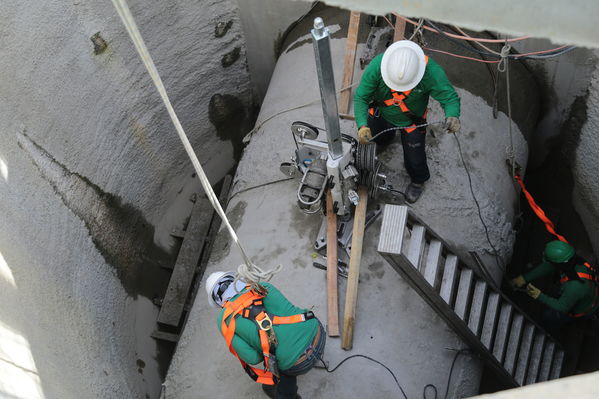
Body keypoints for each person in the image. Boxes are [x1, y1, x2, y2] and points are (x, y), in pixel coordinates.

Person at [354, 40, 461, 203]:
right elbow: (361, 97)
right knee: (376, 136)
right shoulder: (379, 65)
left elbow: (449, 97)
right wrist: (362, 124)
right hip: (381, 112)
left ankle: (418, 181)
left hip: (411, 122)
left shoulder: (430, 72)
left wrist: (452, 115)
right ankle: (384, 140)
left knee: (415, 158)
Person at [206, 271, 325, 399]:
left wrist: (262, 343)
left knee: (275, 360)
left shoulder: (224, 320)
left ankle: (288, 395)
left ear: (218, 301)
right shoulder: (262, 286)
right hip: (319, 333)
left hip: (298, 364)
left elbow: (253, 358)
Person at [510, 241, 599, 330]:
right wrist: (524, 278)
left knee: (549, 316)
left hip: (582, 308)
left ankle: (543, 330)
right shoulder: (572, 260)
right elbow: (548, 266)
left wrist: (540, 296)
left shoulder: (575, 287)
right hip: (583, 293)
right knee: (556, 292)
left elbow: (562, 307)